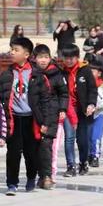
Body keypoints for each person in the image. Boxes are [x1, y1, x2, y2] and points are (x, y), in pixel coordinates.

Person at [0, 37, 51, 195]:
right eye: (11, 49)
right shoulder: (7, 74)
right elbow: (0, 98)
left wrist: (45, 121)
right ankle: (12, 183)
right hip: (13, 119)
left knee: (31, 152)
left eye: (16, 50)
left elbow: (45, 100)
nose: (12, 53)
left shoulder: (37, 74)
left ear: (27, 54)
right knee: (12, 153)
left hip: (31, 119)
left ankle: (30, 178)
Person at [33, 44, 68, 187]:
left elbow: (64, 93)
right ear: (34, 58)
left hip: (51, 115)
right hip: (35, 114)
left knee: (46, 145)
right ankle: (39, 175)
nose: (43, 60)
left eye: (46, 57)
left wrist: (62, 109)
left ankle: (47, 176)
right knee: (35, 147)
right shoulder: (31, 74)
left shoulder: (57, 74)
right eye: (40, 57)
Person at [61, 44, 98, 177]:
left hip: (83, 110)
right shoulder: (61, 72)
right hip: (67, 110)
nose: (69, 60)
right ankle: (70, 165)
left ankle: (83, 163)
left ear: (77, 57)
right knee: (69, 138)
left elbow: (93, 89)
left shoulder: (85, 70)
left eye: (72, 57)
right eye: (66, 57)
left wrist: (91, 104)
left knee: (82, 139)